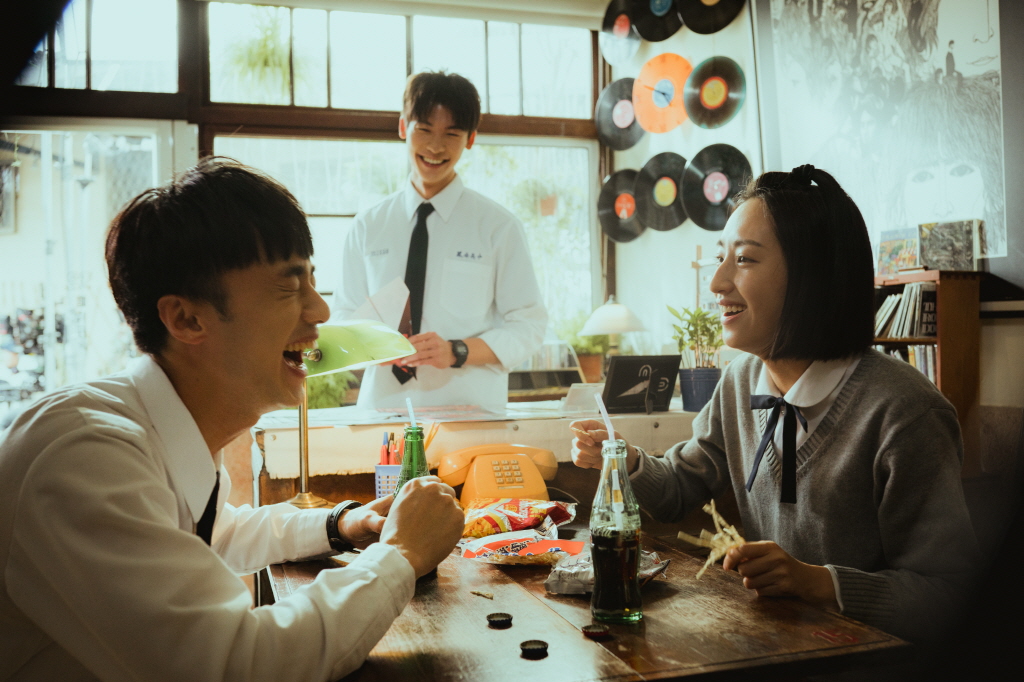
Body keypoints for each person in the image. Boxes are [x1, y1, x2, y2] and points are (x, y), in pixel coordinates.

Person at [0, 158, 465, 682]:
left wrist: (342, 525)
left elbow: (219, 532)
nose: (320, 311)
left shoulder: (161, 430)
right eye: (289, 287)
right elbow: (236, 664)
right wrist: (401, 554)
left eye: (312, 281)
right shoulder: (84, 457)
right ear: (186, 319)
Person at [570, 165, 980, 644]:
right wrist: (624, 459)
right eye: (721, 258)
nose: (717, 282)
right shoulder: (740, 381)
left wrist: (819, 583)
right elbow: (679, 488)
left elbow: (952, 595)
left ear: (811, 276)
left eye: (743, 259)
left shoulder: (904, 412)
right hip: (772, 646)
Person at [332, 71, 547, 413]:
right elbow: (343, 314)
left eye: (452, 134)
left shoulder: (498, 227)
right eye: (424, 130)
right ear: (403, 128)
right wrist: (369, 343)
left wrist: (456, 351)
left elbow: (529, 326)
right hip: (382, 410)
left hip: (469, 412)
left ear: (470, 139)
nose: (435, 147)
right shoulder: (368, 225)